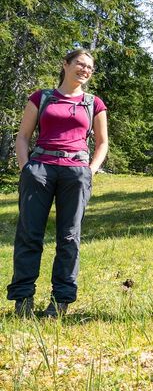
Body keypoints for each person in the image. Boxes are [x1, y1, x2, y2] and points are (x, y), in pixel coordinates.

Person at [8, 48, 109, 318]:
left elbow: (102, 143)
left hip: (75, 172)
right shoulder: (41, 98)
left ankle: (61, 300)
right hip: (40, 169)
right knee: (29, 234)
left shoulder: (93, 103)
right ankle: (23, 299)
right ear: (65, 65)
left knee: (69, 237)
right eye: (80, 64)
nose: (85, 70)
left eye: (89, 67)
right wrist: (26, 168)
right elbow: (23, 137)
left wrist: (90, 171)